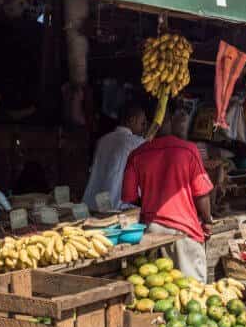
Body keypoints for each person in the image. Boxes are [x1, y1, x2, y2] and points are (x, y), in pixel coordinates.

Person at [121, 122, 214, 282]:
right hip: (184, 231)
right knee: (194, 294)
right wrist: (207, 220)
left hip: (151, 231)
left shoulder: (137, 154)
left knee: (158, 290)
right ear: (171, 122)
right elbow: (202, 193)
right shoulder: (188, 149)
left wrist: (150, 203)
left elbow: (129, 196)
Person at [83, 105, 147, 211]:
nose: (144, 128)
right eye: (142, 123)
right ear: (132, 120)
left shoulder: (102, 140)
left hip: (91, 204)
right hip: (115, 208)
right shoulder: (136, 143)